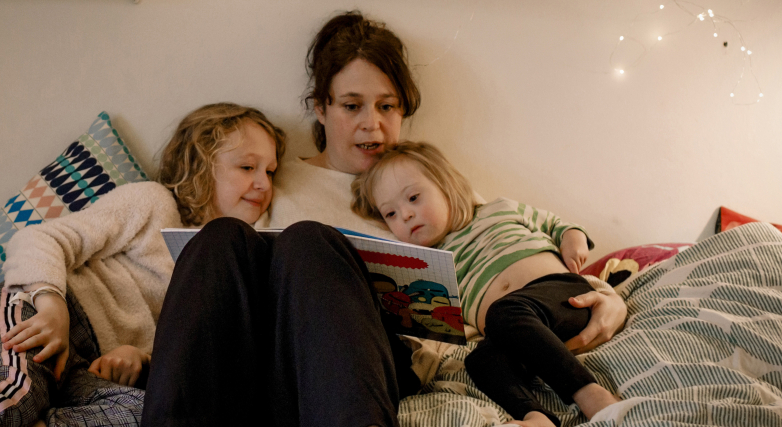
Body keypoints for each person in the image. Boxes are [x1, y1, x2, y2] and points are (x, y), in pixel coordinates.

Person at [144, 10, 628, 427]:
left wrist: (603, 294)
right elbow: (214, 277)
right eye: (352, 106)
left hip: (357, 369)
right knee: (228, 236)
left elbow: (511, 250)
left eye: (387, 106)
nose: (371, 125)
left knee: (313, 241)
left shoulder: (426, 187)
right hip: (266, 360)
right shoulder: (270, 177)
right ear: (321, 107)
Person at [0, 102, 286, 427]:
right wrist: (53, 307)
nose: (264, 183)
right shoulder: (153, 204)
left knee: (153, 417)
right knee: (16, 388)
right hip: (39, 311)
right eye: (247, 167)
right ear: (199, 164)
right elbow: (41, 237)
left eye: (270, 171)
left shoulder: (227, 276)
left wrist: (138, 359)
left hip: (88, 369)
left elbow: (184, 353)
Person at [351, 142, 621, 426]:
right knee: (479, 361)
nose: (405, 215)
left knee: (504, 312)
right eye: (390, 214)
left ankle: (590, 394)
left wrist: (573, 237)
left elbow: (556, 224)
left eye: (414, 198)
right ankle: (537, 418)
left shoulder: (498, 209)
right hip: (515, 333)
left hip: (562, 297)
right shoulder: (429, 268)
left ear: (446, 186)